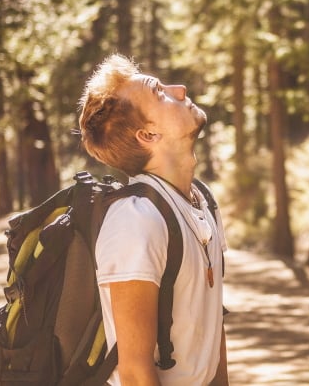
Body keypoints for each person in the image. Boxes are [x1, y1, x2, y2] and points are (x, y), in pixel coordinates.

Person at [78, 54, 228, 385]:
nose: (180, 89)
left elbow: (212, 328)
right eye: (159, 92)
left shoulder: (202, 203)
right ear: (148, 135)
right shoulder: (136, 220)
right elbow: (134, 371)